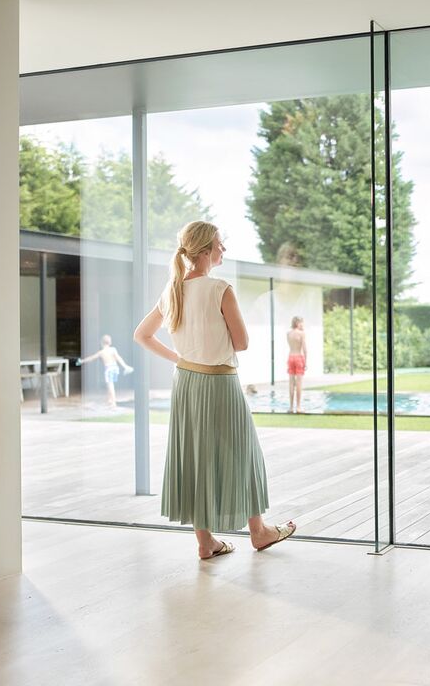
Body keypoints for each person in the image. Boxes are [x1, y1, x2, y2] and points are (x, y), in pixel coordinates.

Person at [133, 220, 296, 560]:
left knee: (194, 456)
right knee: (243, 453)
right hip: (221, 382)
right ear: (206, 250)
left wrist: (179, 357)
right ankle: (259, 531)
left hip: (187, 382)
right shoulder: (220, 288)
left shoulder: (171, 290)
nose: (224, 249)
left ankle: (205, 543)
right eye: (221, 244)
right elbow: (242, 342)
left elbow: (142, 335)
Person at [79, 334, 133, 407]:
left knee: (110, 385)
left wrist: (82, 361)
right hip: (115, 368)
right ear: (110, 342)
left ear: (101, 343)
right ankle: (109, 400)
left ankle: (113, 402)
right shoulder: (113, 349)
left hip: (109, 369)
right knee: (110, 385)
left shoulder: (101, 352)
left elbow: (91, 358)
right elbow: (118, 358)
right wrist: (124, 366)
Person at [286, 316, 306, 413]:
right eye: (301, 323)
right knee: (299, 383)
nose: (303, 325)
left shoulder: (288, 333)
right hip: (298, 357)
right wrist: (305, 361)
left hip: (290, 357)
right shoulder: (301, 334)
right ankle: (298, 407)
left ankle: (290, 407)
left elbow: (290, 345)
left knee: (291, 383)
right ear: (298, 323)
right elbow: (304, 349)